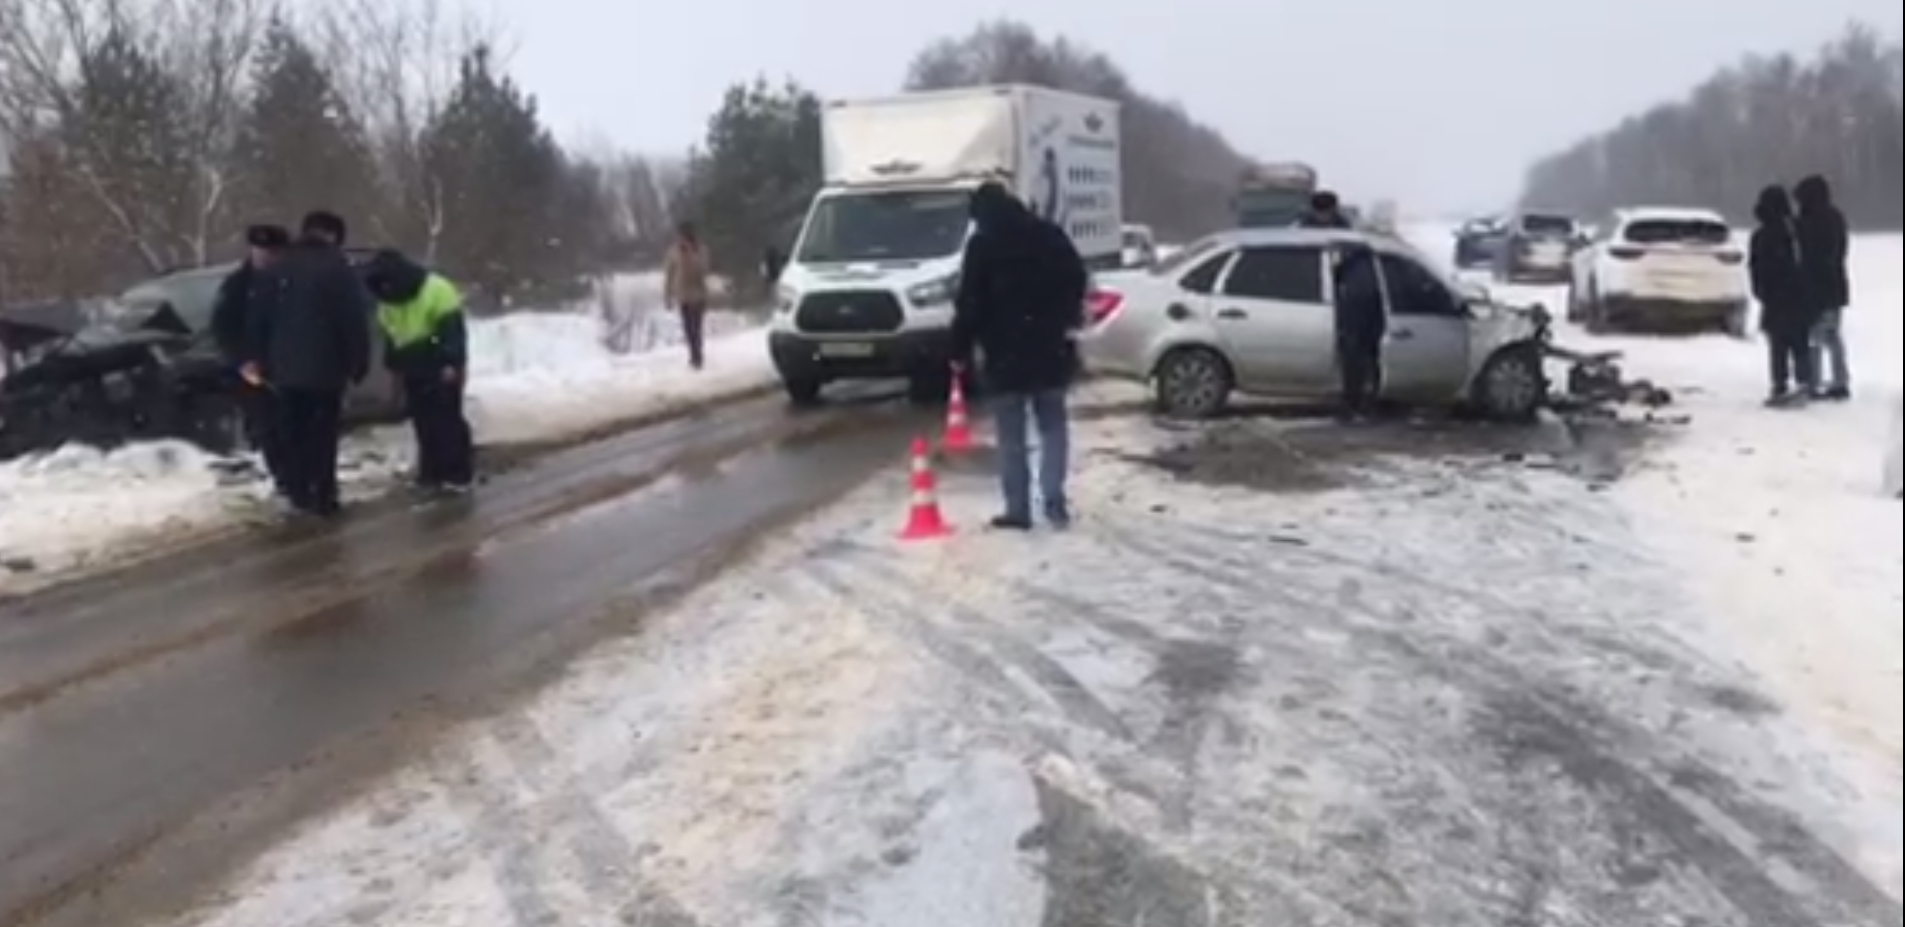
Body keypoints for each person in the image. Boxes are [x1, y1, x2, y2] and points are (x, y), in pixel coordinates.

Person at [951, 181, 1087, 531]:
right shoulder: (1048, 235)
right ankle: (1054, 502)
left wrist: (959, 350)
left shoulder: (982, 245)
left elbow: (969, 303)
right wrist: (1065, 316)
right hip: (1049, 349)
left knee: (1011, 437)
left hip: (1003, 354)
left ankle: (1018, 509)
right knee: (1053, 427)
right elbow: (1077, 278)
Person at [242, 210, 372, 516]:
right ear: (332, 236)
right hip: (326, 370)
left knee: (293, 431)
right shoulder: (337, 268)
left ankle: (299, 492)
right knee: (323, 432)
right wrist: (358, 362)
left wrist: (256, 358)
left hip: (284, 370)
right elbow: (352, 320)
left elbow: (259, 317)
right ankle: (323, 494)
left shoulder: (278, 267)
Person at [364, 249, 474, 494]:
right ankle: (432, 471)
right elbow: (392, 334)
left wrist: (451, 362)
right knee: (424, 422)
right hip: (413, 365)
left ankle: (457, 473)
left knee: (446, 421)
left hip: (438, 364)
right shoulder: (388, 300)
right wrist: (393, 363)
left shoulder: (437, 290)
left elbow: (452, 330)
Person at [211, 223, 290, 494]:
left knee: (294, 427)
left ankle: (298, 479)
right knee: (268, 429)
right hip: (254, 370)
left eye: (270, 251)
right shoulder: (237, 285)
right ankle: (283, 479)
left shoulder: (291, 281)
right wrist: (242, 360)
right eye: (259, 250)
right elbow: (223, 327)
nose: (264, 256)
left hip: (289, 366)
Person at [1748, 185, 1814, 407]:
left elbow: (1756, 267)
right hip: (1798, 295)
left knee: (1778, 344)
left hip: (1774, 297)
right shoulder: (1797, 229)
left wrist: (1761, 291)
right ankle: (1804, 382)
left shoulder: (1761, 234)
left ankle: (1780, 385)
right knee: (1799, 342)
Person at [1793, 175, 1851, 400]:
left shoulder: (1806, 221)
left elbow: (1805, 254)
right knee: (1832, 335)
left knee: (1813, 337)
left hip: (1813, 286)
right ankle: (1840, 380)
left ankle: (1814, 381)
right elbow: (1840, 250)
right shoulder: (1835, 217)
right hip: (1835, 285)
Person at [1332, 243, 1386, 420]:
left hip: (1354, 325)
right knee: (1364, 366)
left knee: (1355, 366)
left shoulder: (1350, 269)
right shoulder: (1371, 269)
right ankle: (1362, 403)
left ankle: (1354, 403)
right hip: (1363, 326)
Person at [662, 221, 710, 369]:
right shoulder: (673, 252)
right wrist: (667, 296)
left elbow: (703, 270)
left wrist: (690, 254)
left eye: (683, 236)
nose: (681, 239)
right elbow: (668, 275)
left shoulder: (700, 250)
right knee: (688, 328)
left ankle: (697, 357)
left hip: (698, 295)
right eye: (679, 236)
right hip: (683, 296)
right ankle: (693, 354)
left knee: (696, 327)